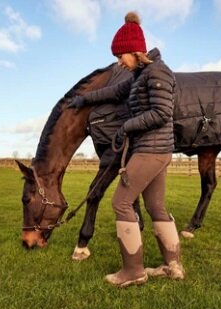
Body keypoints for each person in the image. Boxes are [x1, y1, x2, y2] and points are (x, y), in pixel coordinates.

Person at [68, 11, 185, 287]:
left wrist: (126, 127)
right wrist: (83, 99)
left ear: (134, 51)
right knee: (156, 206)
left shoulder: (157, 73)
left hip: (150, 149)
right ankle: (173, 266)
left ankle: (133, 271)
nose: (119, 61)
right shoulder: (140, 76)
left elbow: (161, 113)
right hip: (155, 149)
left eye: (120, 55)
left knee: (120, 202)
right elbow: (114, 93)